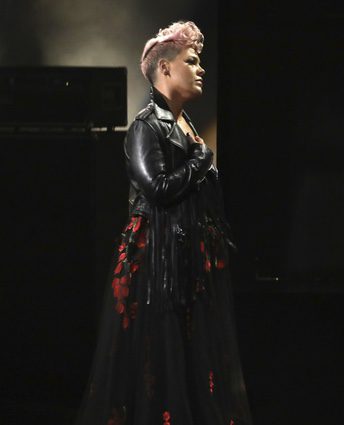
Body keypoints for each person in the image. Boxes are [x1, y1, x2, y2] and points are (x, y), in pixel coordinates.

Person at [75, 21, 252, 425]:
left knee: (194, 361)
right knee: (160, 359)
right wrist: (200, 160)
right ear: (166, 68)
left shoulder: (184, 123)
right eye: (191, 60)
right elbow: (155, 187)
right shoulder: (145, 125)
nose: (200, 68)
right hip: (157, 264)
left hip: (188, 263)